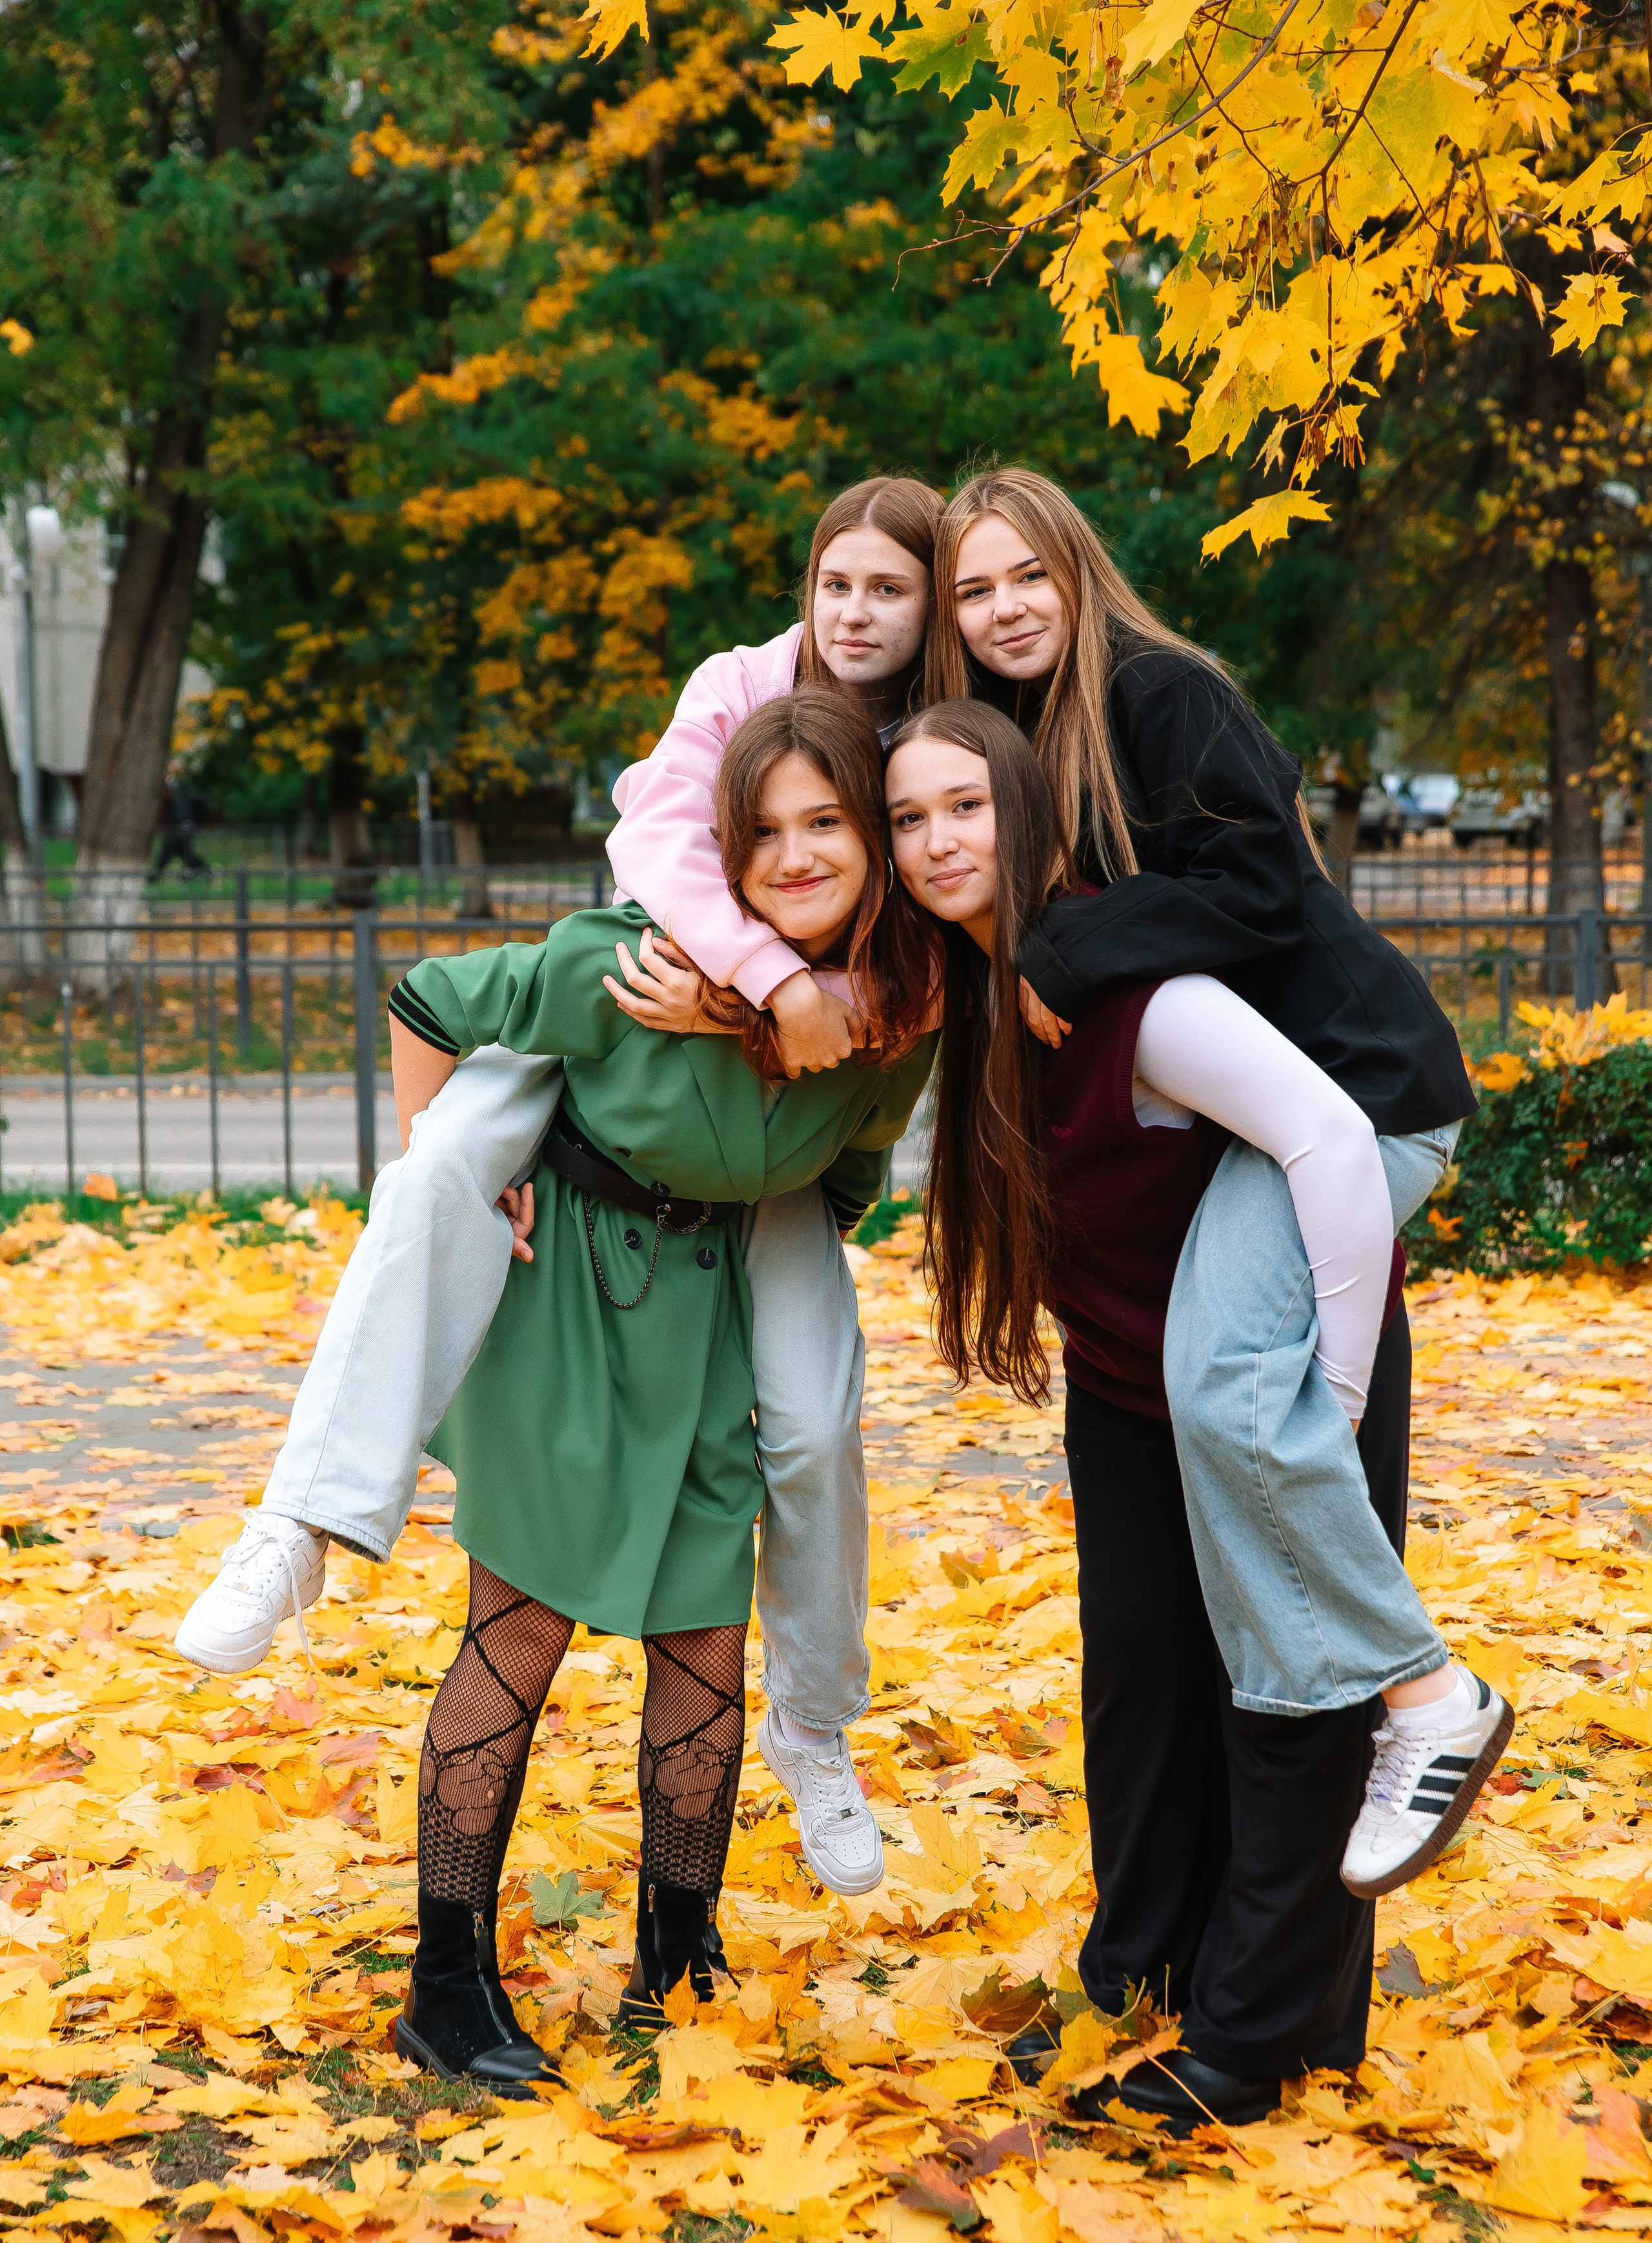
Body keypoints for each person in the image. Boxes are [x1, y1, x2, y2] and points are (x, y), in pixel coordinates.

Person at [173, 474, 944, 1900]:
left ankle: (813, 1721)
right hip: (655, 985)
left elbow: (932, 949)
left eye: (888, 588)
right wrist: (751, 984)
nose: (855, 612)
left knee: (814, 1414)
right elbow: (652, 844)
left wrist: (798, 1029)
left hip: (776, 1117)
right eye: (836, 582)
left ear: (930, 604)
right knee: (438, 1181)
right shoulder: (742, 684)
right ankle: (305, 1517)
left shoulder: (940, 730)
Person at [886, 701, 1508, 2132]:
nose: (937, 841)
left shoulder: (1137, 991)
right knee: (1141, 1680)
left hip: (1278, 1372)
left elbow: (1335, 1142)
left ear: (1031, 809)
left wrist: (1329, 1400)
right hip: (1127, 1377)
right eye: (910, 818)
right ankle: (1139, 1979)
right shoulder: (987, 990)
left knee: (1284, 1691)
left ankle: (1255, 2039)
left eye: (967, 806)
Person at [923, 467, 1507, 1900]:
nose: (1005, 610)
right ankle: (1325, 1747)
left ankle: (1430, 1700)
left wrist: (1069, 951)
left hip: (1356, 1092)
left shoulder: (1159, 692)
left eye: (1027, 576)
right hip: (1262, 1120)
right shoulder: (1015, 733)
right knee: (1209, 1405)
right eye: (973, 591)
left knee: (1231, 1391)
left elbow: (1257, 887)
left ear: (1078, 569)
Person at [387, 689, 937, 2090]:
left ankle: (676, 1961)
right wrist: (459, 1173)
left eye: (828, 824)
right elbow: (429, 998)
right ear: (723, 852)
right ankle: (445, 1986)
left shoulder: (893, 1021)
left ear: (874, 845)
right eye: (764, 832)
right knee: (518, 1634)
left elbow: (849, 1175)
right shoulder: (632, 960)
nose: (797, 855)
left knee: (704, 1644)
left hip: (711, 1310)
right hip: (571, 1292)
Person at [148, 773, 210, 882]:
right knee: (180, 855)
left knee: (180, 855)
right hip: (175, 836)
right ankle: (205, 871)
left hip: (179, 836)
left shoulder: (179, 801)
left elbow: (183, 819)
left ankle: (204, 872)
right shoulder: (172, 802)